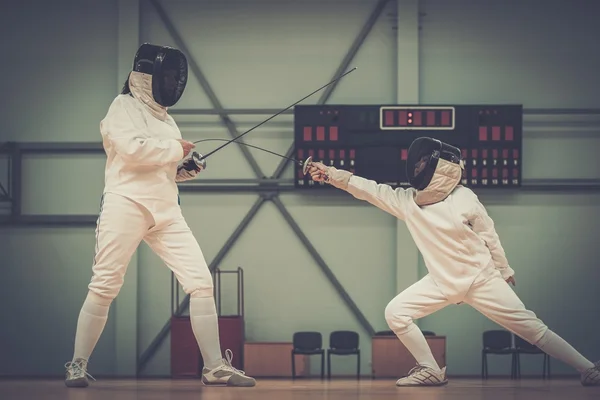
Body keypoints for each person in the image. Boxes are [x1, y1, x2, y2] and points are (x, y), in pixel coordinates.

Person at [306, 137, 599, 387]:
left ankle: (588, 369)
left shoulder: (465, 197)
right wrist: (330, 174)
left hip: (481, 279)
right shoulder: (408, 202)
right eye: (417, 164)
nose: (418, 168)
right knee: (396, 312)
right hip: (441, 281)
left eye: (423, 164)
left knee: (533, 329)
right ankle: (431, 370)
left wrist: (505, 269)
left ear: (440, 169)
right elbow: (368, 189)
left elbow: (490, 235)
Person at [64, 43, 255, 388]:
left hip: (166, 211)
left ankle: (214, 366)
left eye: (172, 77)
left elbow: (161, 167)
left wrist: (184, 169)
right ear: (145, 77)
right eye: (164, 76)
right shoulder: (122, 107)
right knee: (105, 284)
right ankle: (77, 364)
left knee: (200, 283)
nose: (169, 82)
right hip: (126, 204)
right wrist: (174, 150)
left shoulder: (167, 120)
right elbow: (133, 151)